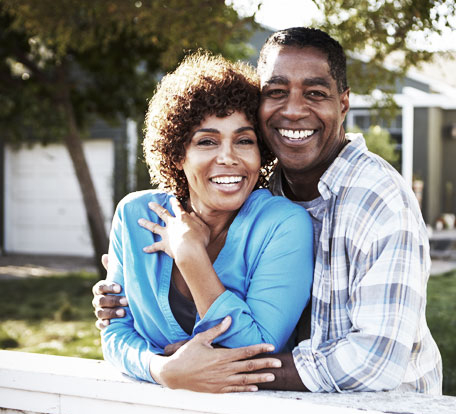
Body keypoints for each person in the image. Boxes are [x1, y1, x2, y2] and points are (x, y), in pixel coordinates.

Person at [94, 27, 442, 393]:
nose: (292, 110)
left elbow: (376, 361)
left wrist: (214, 368)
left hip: (391, 409)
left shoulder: (378, 201)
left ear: (343, 104)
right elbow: (118, 328)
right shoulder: (269, 186)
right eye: (276, 92)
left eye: (315, 93)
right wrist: (162, 368)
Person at [100, 51, 314, 392]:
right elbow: (114, 331)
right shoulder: (135, 216)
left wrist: (189, 254)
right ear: (177, 154)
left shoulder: (283, 225)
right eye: (207, 141)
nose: (228, 157)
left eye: (244, 140)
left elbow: (258, 350)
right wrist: (163, 369)